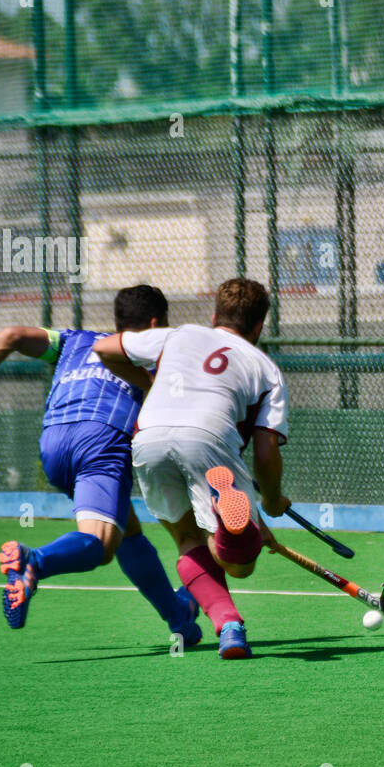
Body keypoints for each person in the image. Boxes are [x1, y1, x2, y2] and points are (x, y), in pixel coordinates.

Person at [0, 285, 202, 645]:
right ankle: (35, 562)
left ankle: (179, 618)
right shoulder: (156, 354)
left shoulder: (75, 340)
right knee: (100, 544)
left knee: (127, 531)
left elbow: (10, 335)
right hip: (101, 439)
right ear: (156, 323)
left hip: (54, 442)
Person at [93, 278, 291, 660]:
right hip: (209, 438)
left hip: (149, 435)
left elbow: (103, 347)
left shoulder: (176, 335)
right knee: (239, 566)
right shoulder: (266, 369)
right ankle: (233, 529)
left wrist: (150, 383)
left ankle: (229, 625)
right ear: (259, 327)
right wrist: (271, 500)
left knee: (186, 539)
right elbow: (266, 455)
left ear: (215, 315)